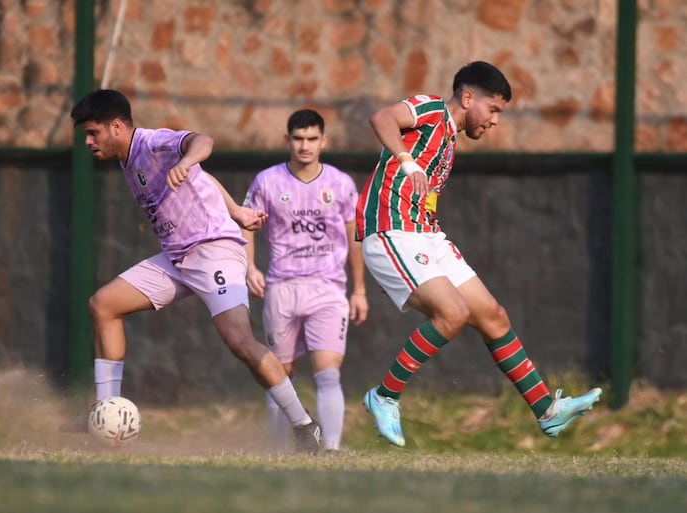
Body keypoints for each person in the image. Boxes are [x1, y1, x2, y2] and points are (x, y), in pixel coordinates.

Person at [356, 61, 602, 447]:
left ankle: (547, 411)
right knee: (452, 313)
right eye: (494, 109)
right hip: (391, 230)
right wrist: (406, 161)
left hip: (426, 236)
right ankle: (384, 396)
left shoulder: (450, 140)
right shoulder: (430, 110)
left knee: (494, 316)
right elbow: (382, 117)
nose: (495, 121)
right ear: (468, 98)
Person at [69, 89, 321, 454]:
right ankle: (105, 412)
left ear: (117, 127)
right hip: (177, 257)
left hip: (214, 251)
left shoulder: (153, 143)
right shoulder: (126, 159)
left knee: (238, 340)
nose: (89, 142)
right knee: (103, 305)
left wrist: (187, 163)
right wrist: (235, 208)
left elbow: (203, 143)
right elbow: (202, 177)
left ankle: (304, 427)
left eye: (93, 133)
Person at [241, 109, 369, 451]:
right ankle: (281, 451)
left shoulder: (340, 184)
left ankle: (331, 449)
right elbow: (246, 223)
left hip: (328, 288)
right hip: (282, 287)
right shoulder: (267, 181)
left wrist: (359, 289)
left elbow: (354, 235)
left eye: (312, 138)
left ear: (323, 141)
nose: (305, 145)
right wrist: (250, 267)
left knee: (328, 371)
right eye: (298, 138)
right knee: (279, 372)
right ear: (287, 140)